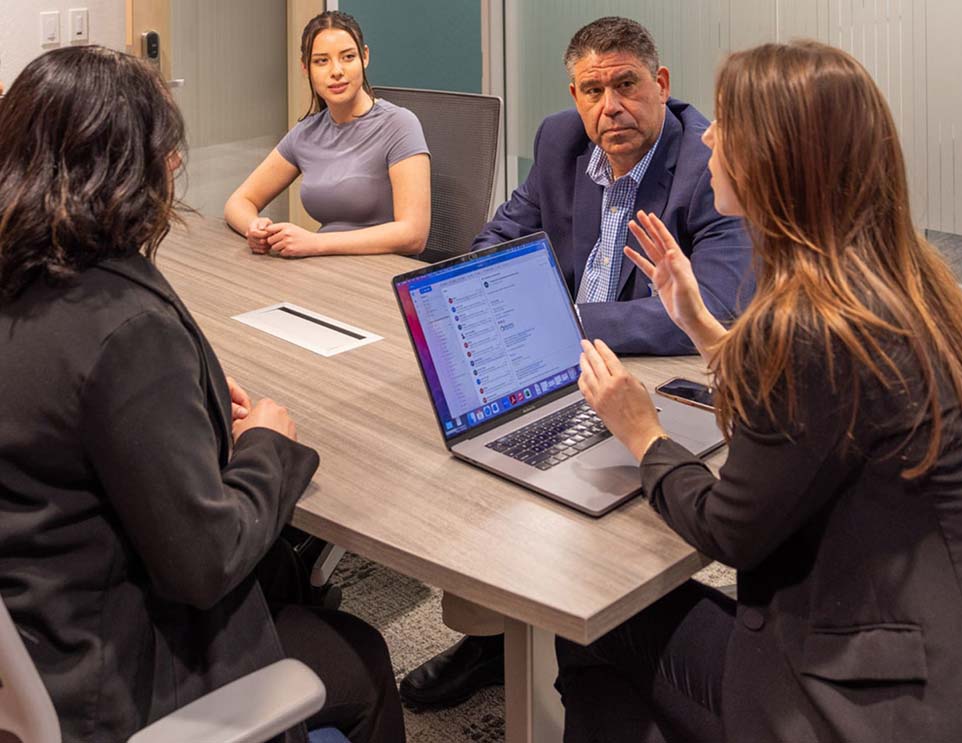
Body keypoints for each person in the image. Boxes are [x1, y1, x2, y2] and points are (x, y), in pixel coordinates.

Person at [557, 40, 962, 742]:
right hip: (923, 631)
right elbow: (812, 418)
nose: (709, 136)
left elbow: (729, 528)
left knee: (586, 617)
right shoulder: (904, 284)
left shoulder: (812, 331)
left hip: (852, 698)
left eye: (728, 124)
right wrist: (706, 329)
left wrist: (642, 431)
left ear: (776, 159)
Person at [0, 47, 405, 743]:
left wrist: (191, 404)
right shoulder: (122, 331)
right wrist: (268, 441)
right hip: (118, 679)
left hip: (42, 633)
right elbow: (204, 559)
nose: (176, 164)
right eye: (162, 148)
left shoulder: (25, 284)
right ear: (120, 169)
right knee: (362, 657)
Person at [400, 16, 753, 710]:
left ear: (660, 84)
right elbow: (502, 234)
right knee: (471, 452)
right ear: (573, 94)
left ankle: (588, 634)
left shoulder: (706, 164)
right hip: (553, 361)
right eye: (592, 90)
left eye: (625, 85)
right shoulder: (560, 140)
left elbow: (709, 306)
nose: (609, 106)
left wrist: (553, 323)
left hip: (654, 374)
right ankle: (491, 637)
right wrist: (478, 296)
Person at [224, 10, 430, 258]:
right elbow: (239, 202)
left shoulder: (400, 125)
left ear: (364, 57)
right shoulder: (306, 133)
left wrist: (315, 243)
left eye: (348, 57)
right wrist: (254, 228)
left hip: (382, 275)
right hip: (325, 270)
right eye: (321, 61)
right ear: (305, 68)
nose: (336, 71)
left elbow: (413, 235)